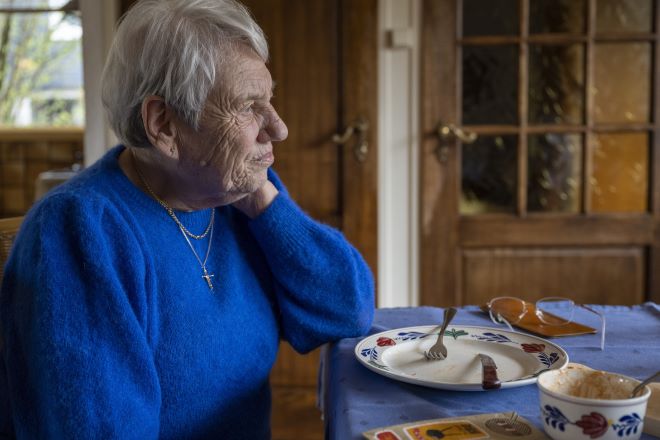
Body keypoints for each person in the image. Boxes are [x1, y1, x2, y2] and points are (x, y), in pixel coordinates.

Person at [0, 0, 375, 438]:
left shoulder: (229, 195)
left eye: (269, 100)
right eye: (249, 106)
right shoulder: (81, 234)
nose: (277, 128)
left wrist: (267, 206)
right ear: (164, 124)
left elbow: (346, 311)